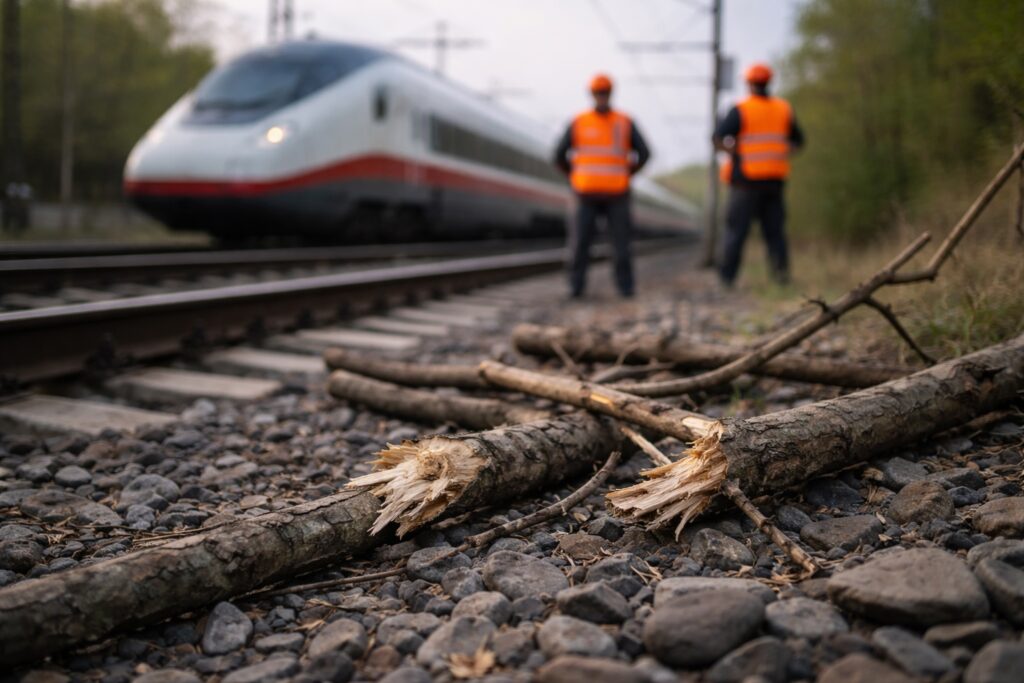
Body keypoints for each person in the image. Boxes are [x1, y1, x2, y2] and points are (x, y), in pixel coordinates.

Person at [554, 73, 651, 299]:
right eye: (599, 93)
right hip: (586, 192)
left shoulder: (624, 121)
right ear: (592, 94)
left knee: (621, 245)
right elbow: (558, 154)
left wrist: (627, 174)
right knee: (580, 243)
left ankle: (625, 288)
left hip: (616, 192)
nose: (602, 97)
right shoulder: (579, 122)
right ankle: (575, 288)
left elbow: (645, 153)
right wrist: (576, 176)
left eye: (604, 93)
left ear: (610, 94)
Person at [713, 62, 804, 287]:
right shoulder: (783, 108)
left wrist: (735, 152)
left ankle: (727, 279)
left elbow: (717, 138)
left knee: (736, 232)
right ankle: (781, 278)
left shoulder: (741, 109)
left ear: (749, 84)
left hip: (745, 182)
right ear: (768, 82)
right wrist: (780, 153)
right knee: (775, 233)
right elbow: (798, 142)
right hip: (774, 182)